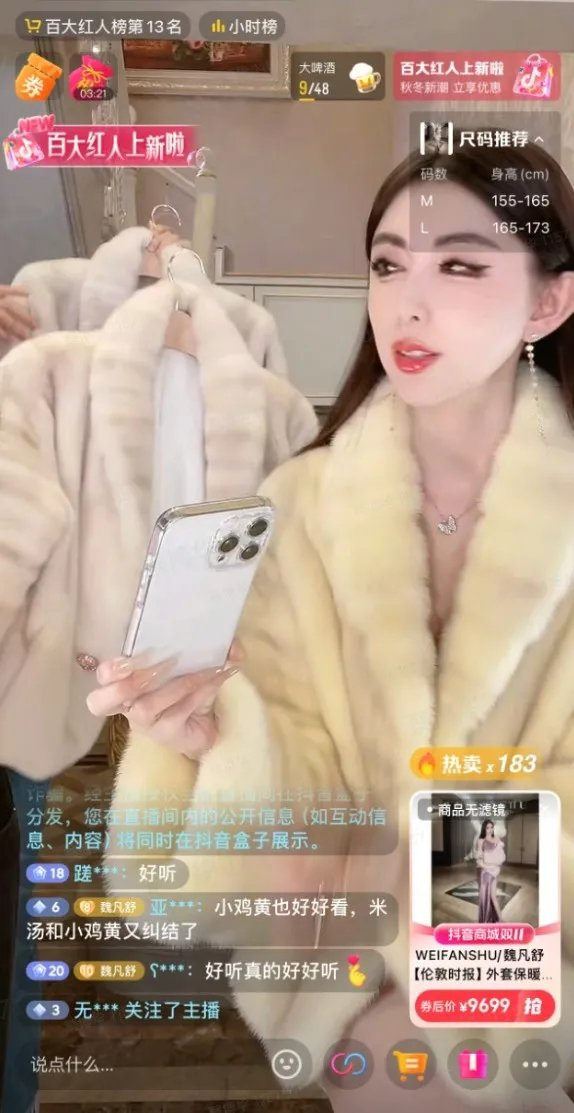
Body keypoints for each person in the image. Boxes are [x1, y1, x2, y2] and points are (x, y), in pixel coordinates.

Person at [89, 136, 574, 1112]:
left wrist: (447, 886)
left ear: (547, 303)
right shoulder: (301, 505)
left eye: (460, 267)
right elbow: (287, 789)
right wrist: (208, 740)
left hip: (536, 937)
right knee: (410, 1064)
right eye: (389, 266)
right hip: (355, 958)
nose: (408, 303)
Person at [476, 819, 505, 923]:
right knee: (486, 897)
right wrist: (486, 866)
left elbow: (501, 856)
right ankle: (494, 920)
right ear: (484, 828)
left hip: (495, 872)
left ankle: (499, 919)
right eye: (488, 827)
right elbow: (479, 859)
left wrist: (495, 866)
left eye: (491, 827)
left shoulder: (496, 838)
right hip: (487, 873)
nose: (490, 829)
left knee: (493, 896)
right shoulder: (481, 840)